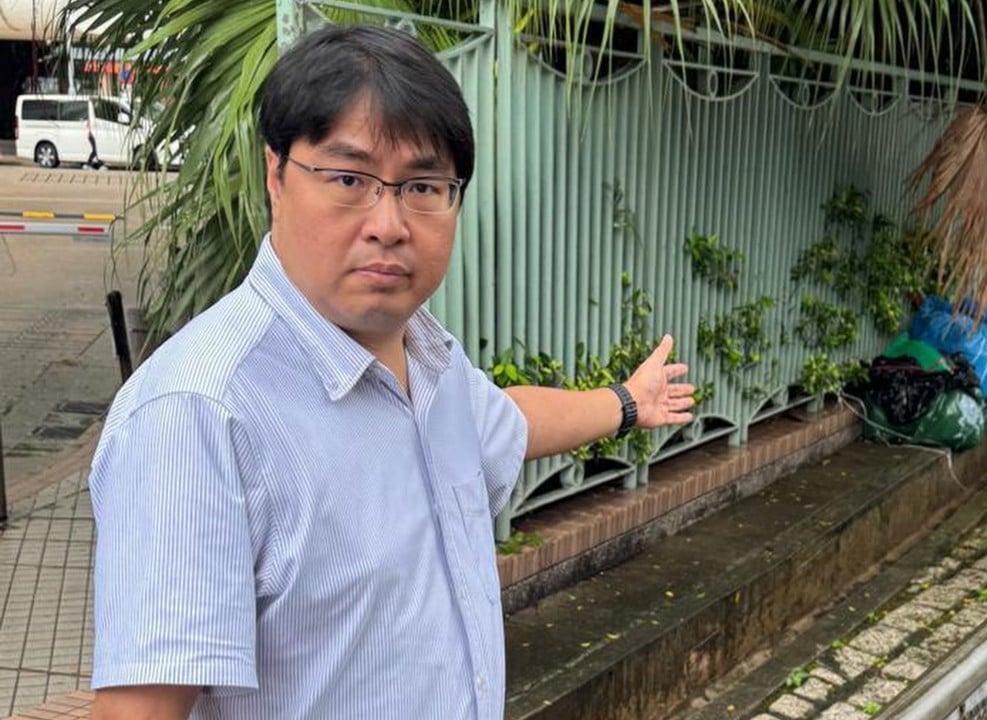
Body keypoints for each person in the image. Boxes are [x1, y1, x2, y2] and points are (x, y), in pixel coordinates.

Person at [88, 24, 695, 720]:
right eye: (349, 178)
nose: (389, 223)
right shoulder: (195, 413)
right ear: (276, 175)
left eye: (423, 186)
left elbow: (506, 421)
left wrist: (627, 401)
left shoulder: (428, 360)